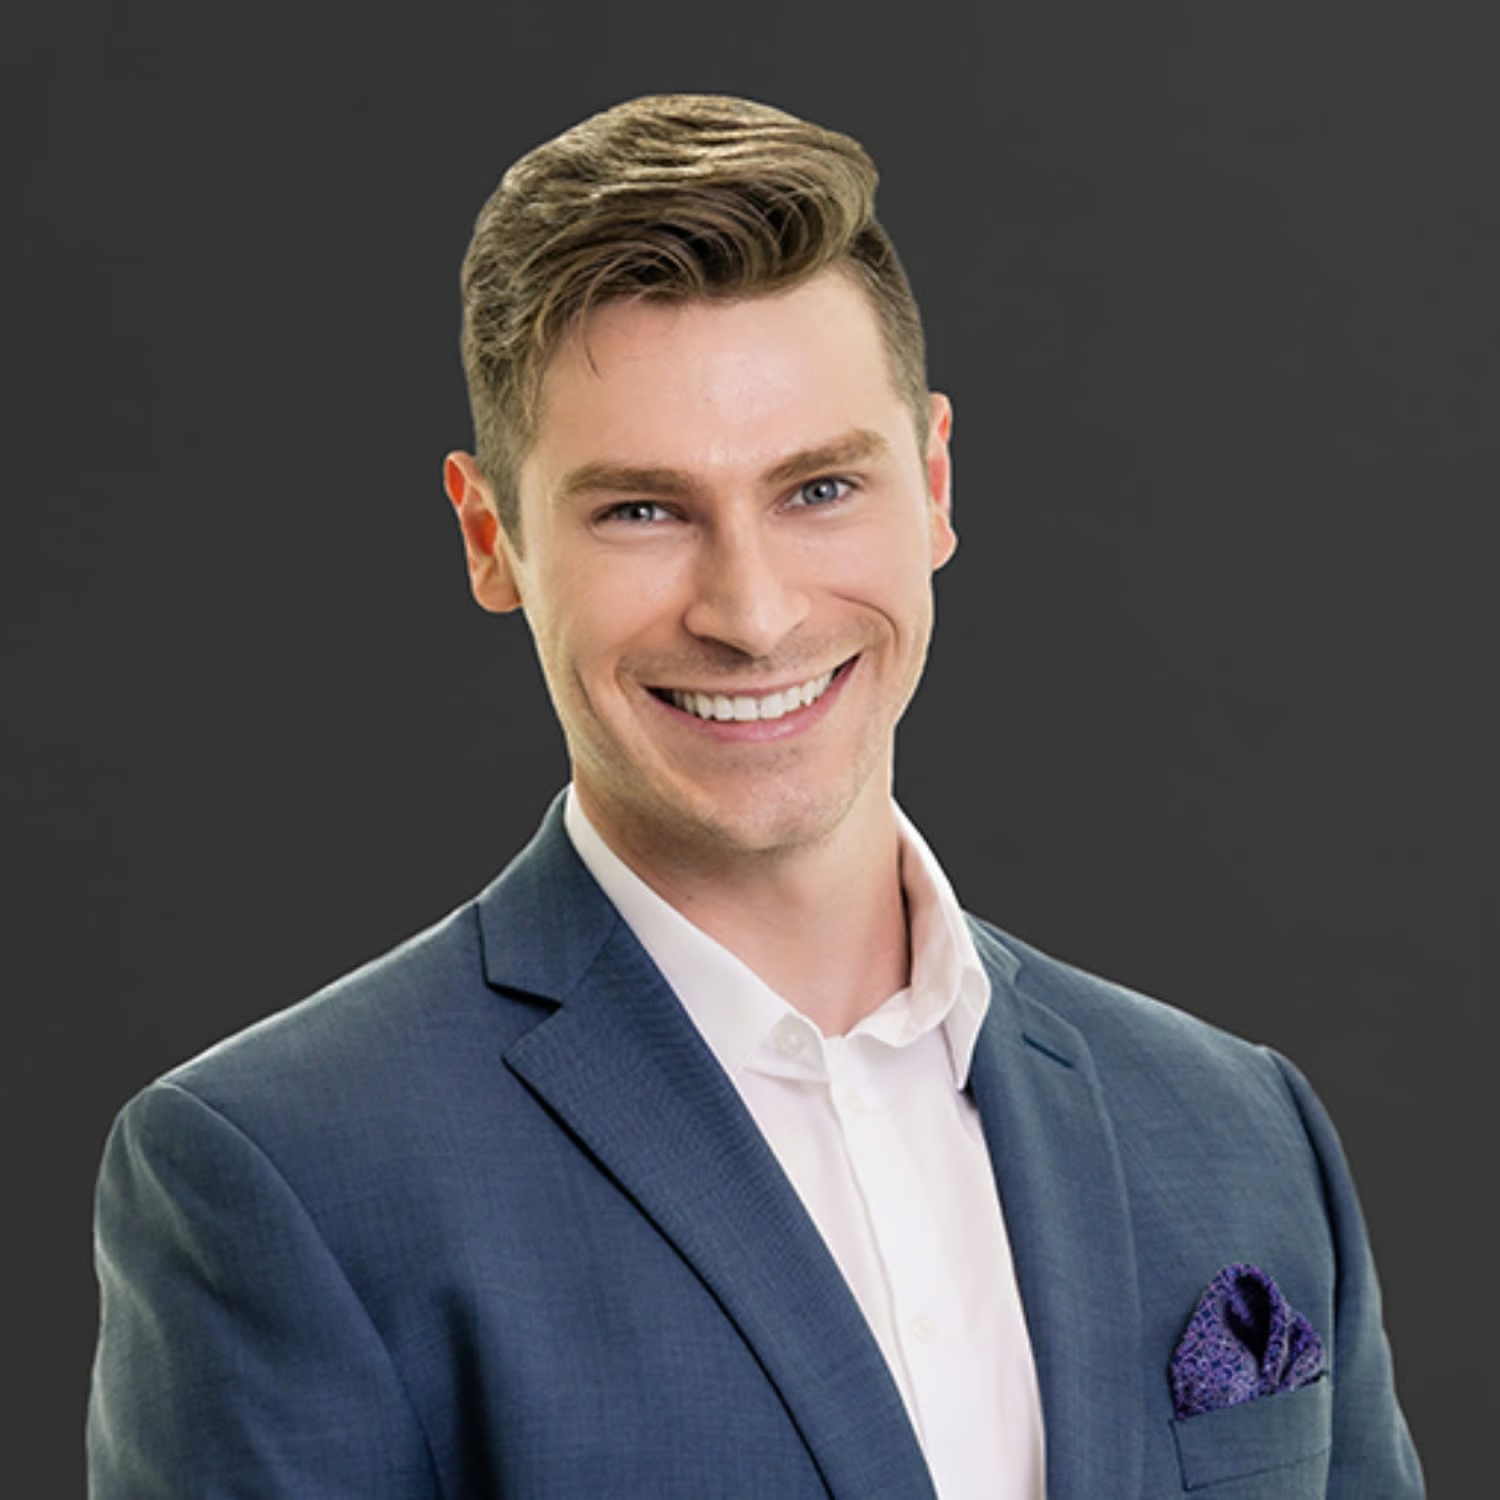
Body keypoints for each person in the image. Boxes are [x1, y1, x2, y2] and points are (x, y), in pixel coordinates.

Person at [87, 94, 1423, 1498]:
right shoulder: (283, 1175)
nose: (754, 611)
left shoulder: (1240, 1129)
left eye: (820, 488)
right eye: (642, 510)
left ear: (936, 481)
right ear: (492, 537)